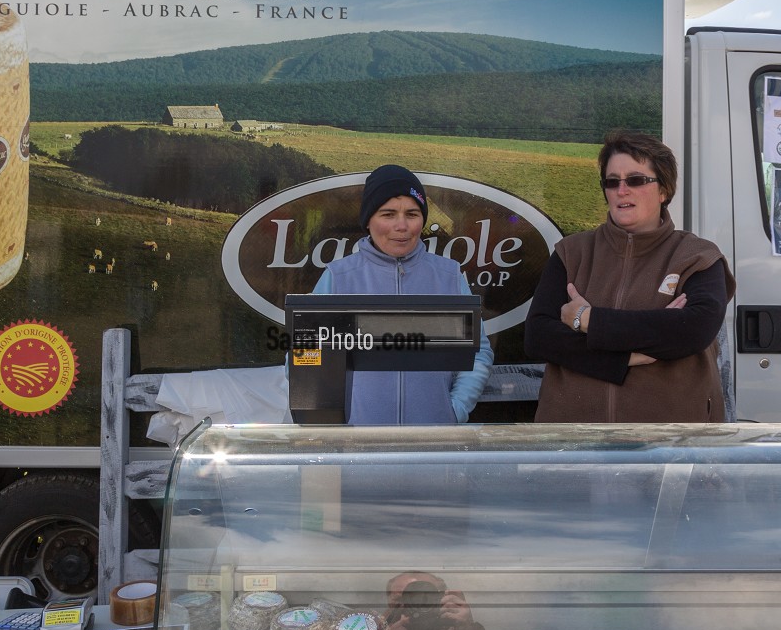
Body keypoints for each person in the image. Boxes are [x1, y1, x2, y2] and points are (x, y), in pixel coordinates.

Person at [524, 132, 734, 422]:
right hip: (572, 441)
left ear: (664, 191)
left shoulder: (697, 256)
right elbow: (539, 337)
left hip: (670, 444)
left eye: (636, 180)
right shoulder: (572, 252)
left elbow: (692, 330)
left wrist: (586, 319)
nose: (622, 190)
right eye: (612, 182)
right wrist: (622, 359)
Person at [313, 164, 493, 424]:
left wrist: (455, 409)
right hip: (357, 444)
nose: (401, 226)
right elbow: (306, 354)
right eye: (387, 214)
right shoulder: (339, 277)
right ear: (368, 220)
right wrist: (337, 421)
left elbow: (477, 352)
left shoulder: (449, 276)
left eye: (412, 213)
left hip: (432, 442)